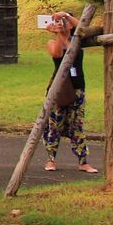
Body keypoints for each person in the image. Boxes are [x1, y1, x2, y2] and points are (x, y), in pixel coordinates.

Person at [43, 11, 98, 174]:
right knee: (55, 124)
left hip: (78, 87)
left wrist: (65, 14)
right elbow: (57, 53)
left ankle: (83, 161)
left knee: (77, 125)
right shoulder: (52, 41)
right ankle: (51, 159)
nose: (63, 24)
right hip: (59, 89)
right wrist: (59, 33)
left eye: (64, 22)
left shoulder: (78, 39)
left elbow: (83, 26)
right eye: (59, 22)